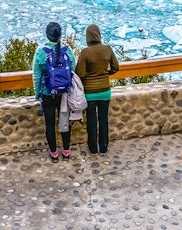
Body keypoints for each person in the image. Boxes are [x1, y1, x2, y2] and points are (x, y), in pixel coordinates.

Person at [32, 21, 76, 162]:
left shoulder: (40, 53)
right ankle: (67, 150)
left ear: (47, 34)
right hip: (63, 93)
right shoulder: (67, 50)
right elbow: (73, 70)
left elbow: (36, 76)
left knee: (49, 124)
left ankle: (54, 153)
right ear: (60, 34)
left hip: (47, 93)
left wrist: (37, 94)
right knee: (64, 121)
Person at [76, 24, 119, 154]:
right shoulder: (107, 49)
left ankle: (93, 148)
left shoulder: (85, 52)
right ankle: (104, 146)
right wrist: (106, 74)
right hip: (105, 91)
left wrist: (89, 78)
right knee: (103, 119)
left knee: (92, 121)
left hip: (90, 93)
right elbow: (116, 67)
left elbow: (80, 74)